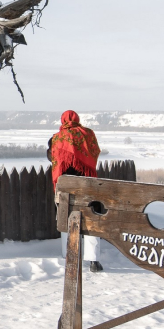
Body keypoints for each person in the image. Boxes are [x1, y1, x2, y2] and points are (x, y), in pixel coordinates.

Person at [49, 110, 102, 271]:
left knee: (66, 220)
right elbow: (95, 152)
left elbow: (52, 157)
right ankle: (93, 260)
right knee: (91, 221)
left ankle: (69, 257)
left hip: (66, 188)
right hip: (88, 185)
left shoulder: (57, 138)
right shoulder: (88, 134)